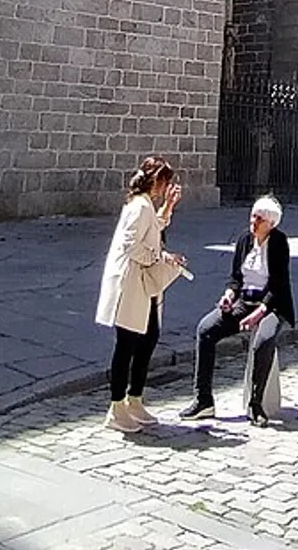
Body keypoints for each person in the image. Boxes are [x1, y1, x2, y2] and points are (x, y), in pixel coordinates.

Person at [180, 193, 295, 427]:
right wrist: (229, 295)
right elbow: (235, 278)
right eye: (253, 216)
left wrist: (258, 313)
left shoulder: (279, 243)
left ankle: (255, 404)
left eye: (260, 219)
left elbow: (279, 285)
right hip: (244, 301)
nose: (254, 222)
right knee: (206, 329)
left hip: (270, 305)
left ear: (271, 223)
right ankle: (203, 400)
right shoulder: (244, 239)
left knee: (263, 340)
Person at [95, 156, 185, 431]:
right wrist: (159, 258)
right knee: (127, 344)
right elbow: (131, 245)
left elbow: (154, 228)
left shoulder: (146, 206)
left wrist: (169, 206)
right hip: (131, 283)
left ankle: (134, 398)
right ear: (157, 181)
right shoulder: (139, 206)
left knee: (148, 338)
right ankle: (116, 406)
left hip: (144, 284)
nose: (166, 187)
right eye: (165, 182)